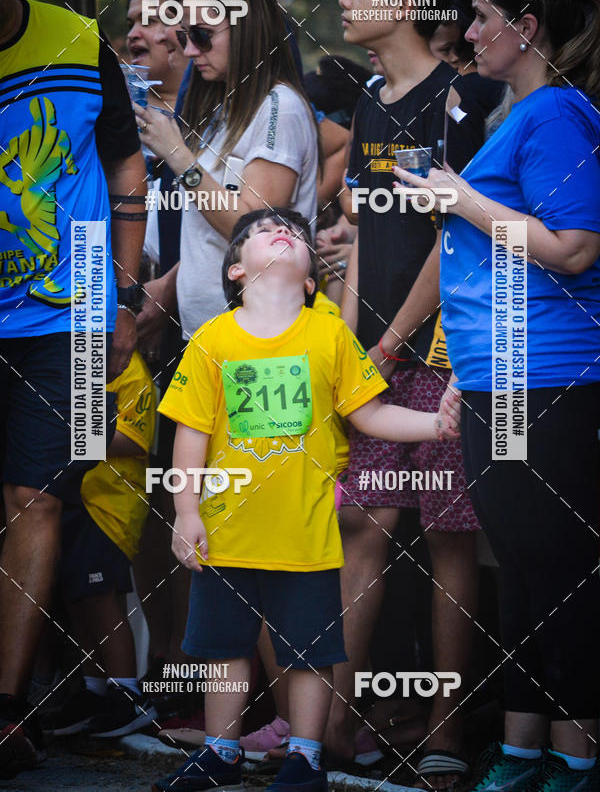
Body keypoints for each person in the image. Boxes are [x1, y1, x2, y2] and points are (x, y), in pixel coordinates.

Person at [150, 206, 460, 792]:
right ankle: (221, 752)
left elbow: (369, 413)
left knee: (310, 653)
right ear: (237, 272)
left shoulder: (330, 334)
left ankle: (306, 756)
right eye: (260, 232)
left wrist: (433, 426)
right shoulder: (213, 339)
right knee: (221, 647)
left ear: (312, 279)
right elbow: (189, 435)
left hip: (308, 535)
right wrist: (185, 512)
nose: (282, 231)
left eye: (293, 232)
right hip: (227, 532)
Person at [396, 0, 600, 792]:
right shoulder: (516, 115)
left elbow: (575, 249)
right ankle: (522, 752)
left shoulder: (557, 114)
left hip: (549, 379)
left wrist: (462, 199)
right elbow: (486, 266)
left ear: (526, 27)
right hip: (497, 377)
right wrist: (457, 373)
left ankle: (578, 760)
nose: (467, 31)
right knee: (520, 566)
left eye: (481, 16)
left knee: (558, 571)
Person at [333, 0, 486, 790]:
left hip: (444, 349)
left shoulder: (460, 103)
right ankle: (338, 722)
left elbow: (452, 240)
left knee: (450, 533)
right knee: (364, 521)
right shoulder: (367, 102)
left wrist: (390, 344)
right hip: (377, 353)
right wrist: (351, 347)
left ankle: (448, 730)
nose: (346, 1)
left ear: (407, 2)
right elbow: (361, 238)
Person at [0, 0, 146, 778]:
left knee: (43, 496)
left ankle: (10, 709)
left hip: (72, 315)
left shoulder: (77, 38)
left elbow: (126, 161)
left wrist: (124, 293)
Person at [134, 0, 318, 344]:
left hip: (259, 338)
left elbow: (253, 227)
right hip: (209, 332)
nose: (189, 51)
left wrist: (178, 155)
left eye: (201, 35)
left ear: (246, 27)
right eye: (183, 37)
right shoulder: (224, 106)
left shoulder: (278, 106)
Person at [51, 349, 157, 739]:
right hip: (75, 494)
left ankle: (128, 695)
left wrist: (62, 433)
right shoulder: (79, 358)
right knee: (79, 595)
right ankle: (96, 691)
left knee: (101, 595)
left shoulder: (129, 367)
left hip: (111, 504)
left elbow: (133, 437)